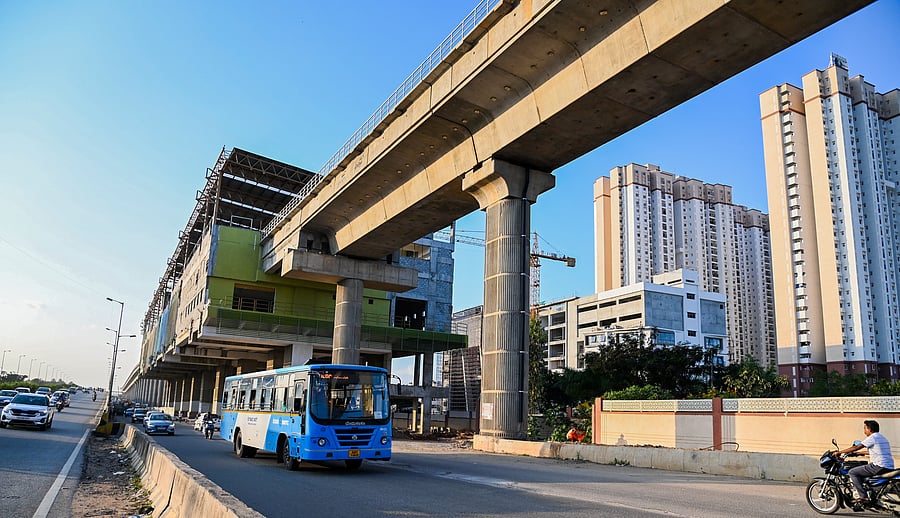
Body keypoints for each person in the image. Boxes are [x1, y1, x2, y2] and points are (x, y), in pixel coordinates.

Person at [836, 419, 895, 506]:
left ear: (869, 429)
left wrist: (840, 452)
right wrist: (858, 454)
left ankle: (863, 497)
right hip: (888, 466)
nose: (864, 431)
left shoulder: (872, 437)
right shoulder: (882, 437)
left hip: (878, 466)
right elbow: (875, 451)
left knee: (852, 472)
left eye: (865, 428)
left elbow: (857, 446)